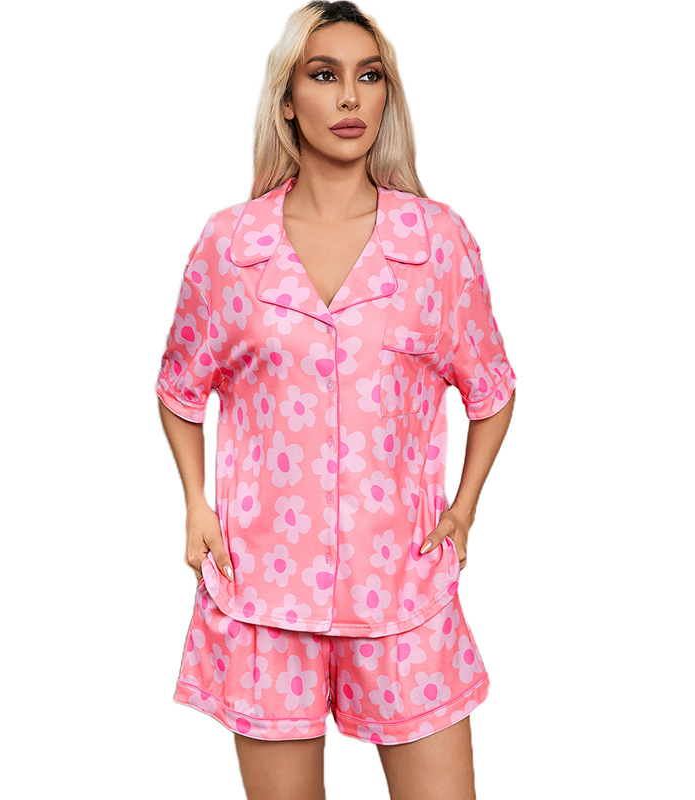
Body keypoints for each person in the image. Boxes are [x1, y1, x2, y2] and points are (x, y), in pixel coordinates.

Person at [154, 2, 516, 797]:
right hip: (262, 587)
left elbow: (492, 387)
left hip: (404, 586)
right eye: (324, 76)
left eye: (369, 76)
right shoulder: (230, 245)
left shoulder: (437, 243)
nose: (350, 97)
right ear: (288, 100)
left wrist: (464, 508)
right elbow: (180, 387)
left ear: (387, 95)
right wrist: (195, 503)